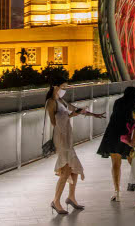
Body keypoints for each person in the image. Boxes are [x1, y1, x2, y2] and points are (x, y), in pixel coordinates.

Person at [46, 78, 104, 214]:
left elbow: (74, 110)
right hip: (60, 138)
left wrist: (93, 114)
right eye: (63, 87)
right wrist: (71, 115)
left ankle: (71, 197)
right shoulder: (51, 102)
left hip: (67, 137)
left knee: (74, 168)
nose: (64, 90)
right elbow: (54, 123)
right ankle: (56, 201)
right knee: (66, 170)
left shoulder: (62, 101)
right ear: (55, 87)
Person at [97, 85, 135, 202]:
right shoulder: (132, 105)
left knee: (116, 164)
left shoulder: (117, 102)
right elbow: (133, 120)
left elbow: (115, 117)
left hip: (113, 134)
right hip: (126, 135)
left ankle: (117, 192)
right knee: (133, 162)